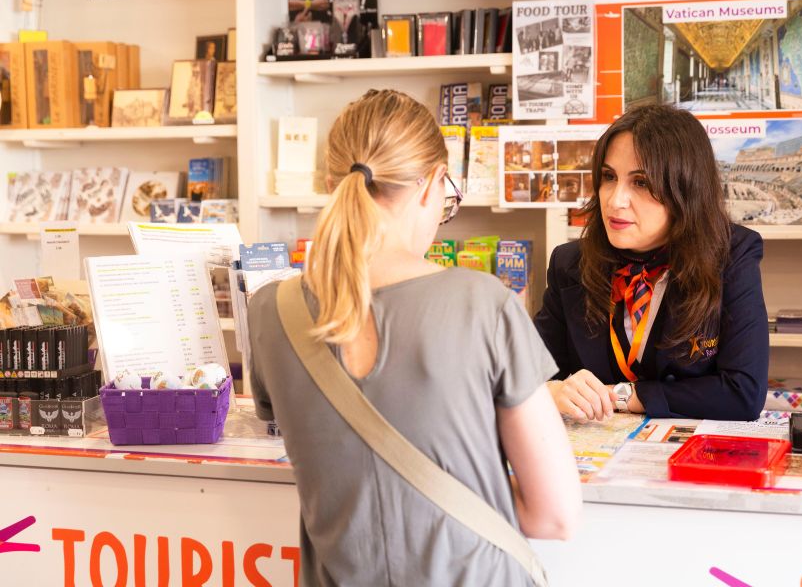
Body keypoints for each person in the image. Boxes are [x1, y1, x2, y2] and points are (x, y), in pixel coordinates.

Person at [248, 89, 580, 587]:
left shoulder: (270, 310)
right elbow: (555, 516)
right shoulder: (483, 303)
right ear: (430, 185)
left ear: (330, 182)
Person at [534, 103, 769, 422]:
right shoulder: (569, 263)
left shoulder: (731, 254)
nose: (615, 200)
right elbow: (529, 377)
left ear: (685, 188)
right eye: (608, 177)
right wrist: (553, 390)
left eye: (641, 182)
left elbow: (743, 393)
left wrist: (623, 395)